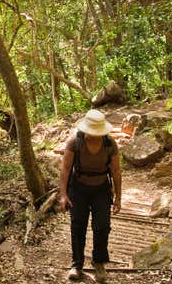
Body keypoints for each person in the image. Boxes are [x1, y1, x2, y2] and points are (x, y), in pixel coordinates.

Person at [58, 109, 122, 282]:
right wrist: (63, 194)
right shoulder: (75, 142)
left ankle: (99, 262)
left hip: (101, 188)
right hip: (78, 188)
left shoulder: (109, 144)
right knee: (78, 224)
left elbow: (116, 171)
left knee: (102, 226)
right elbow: (65, 169)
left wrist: (118, 197)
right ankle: (77, 264)